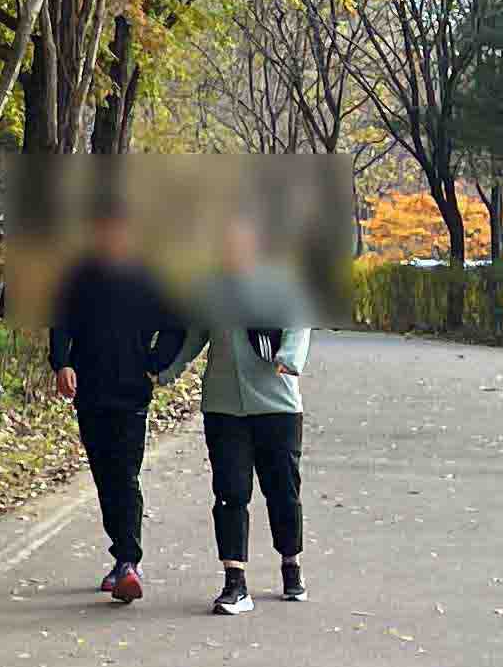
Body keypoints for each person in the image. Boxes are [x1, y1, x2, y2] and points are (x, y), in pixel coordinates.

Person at [47, 196, 194, 603]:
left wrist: (156, 364)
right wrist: (62, 363)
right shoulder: (79, 276)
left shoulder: (149, 277)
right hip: (90, 390)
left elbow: (177, 325)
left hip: (131, 391)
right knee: (104, 477)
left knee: (125, 474)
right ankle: (121, 556)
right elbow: (61, 323)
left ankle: (129, 560)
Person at [195, 209, 312, 614]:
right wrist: (161, 370)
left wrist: (289, 358)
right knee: (229, 492)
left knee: (282, 491)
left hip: (276, 404)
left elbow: (298, 325)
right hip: (223, 405)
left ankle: (291, 564)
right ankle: (235, 583)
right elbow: (193, 335)